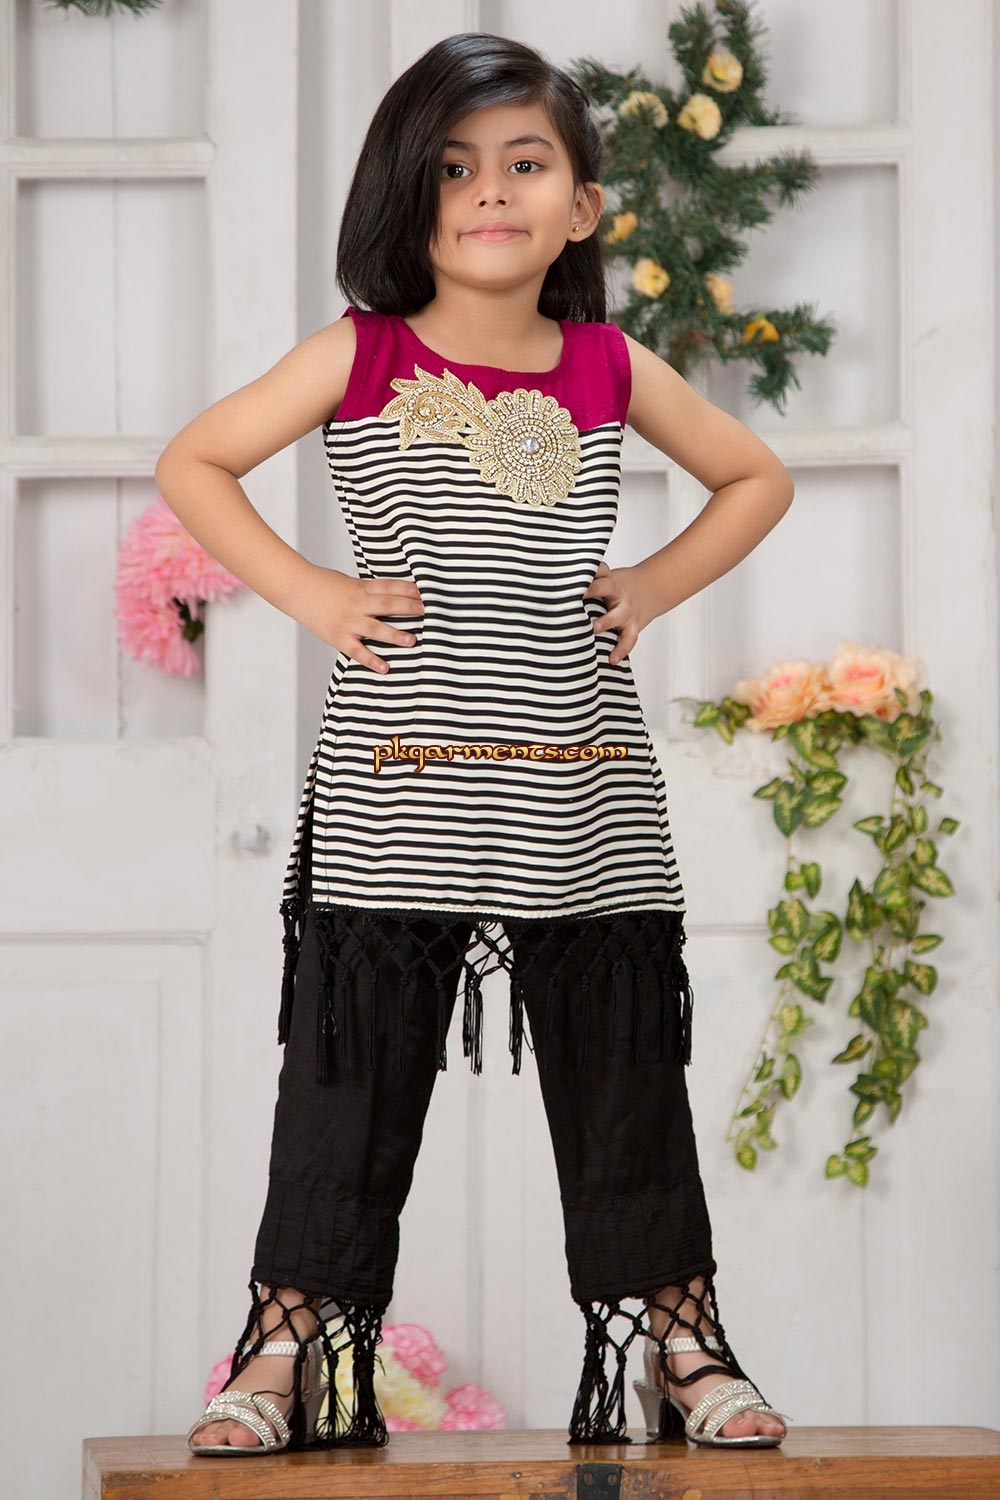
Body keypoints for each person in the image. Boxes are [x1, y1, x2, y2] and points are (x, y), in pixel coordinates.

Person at [157, 31, 795, 1457]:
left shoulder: (609, 364)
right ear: (407, 193)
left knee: (625, 1077)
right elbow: (195, 461)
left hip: (583, 786)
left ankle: (677, 1341)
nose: (490, 191)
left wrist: (649, 586)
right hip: (399, 789)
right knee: (348, 1083)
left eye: (525, 163)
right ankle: (287, 1348)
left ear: (582, 204)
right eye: (453, 168)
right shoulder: (363, 351)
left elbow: (756, 478)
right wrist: (317, 594)